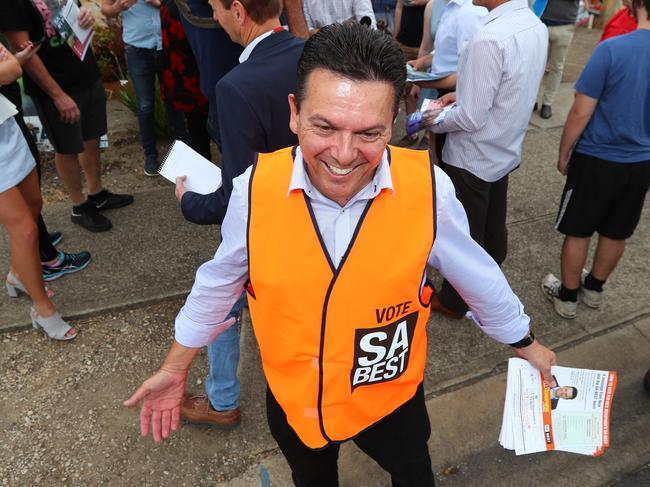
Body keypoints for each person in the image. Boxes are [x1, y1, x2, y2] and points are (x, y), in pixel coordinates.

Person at [125, 23, 556, 486]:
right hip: (297, 400)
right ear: (294, 113)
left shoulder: (429, 191)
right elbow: (221, 279)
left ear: (394, 122)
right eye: (324, 126)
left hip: (389, 396)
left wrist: (525, 342)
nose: (344, 155)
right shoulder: (255, 188)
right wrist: (176, 365)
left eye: (370, 133)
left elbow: (477, 275)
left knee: (412, 472)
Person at [174, 0, 305, 429]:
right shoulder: (308, 53)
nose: (213, 17)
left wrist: (188, 201)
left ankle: (223, 399)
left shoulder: (235, 86)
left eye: (215, 8)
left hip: (266, 225)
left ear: (238, 10)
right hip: (311, 216)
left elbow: (237, 196)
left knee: (223, 294)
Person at [425, 0, 547, 320]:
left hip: (472, 155)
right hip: (503, 147)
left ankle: (455, 301)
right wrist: (463, 95)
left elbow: (469, 118)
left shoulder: (490, 37)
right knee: (492, 225)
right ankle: (487, 282)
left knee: (464, 237)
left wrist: (431, 120)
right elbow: (512, 87)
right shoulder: (534, 25)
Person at [541, 0, 649, 319]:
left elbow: (580, 110)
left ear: (637, 4)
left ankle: (568, 295)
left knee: (579, 229)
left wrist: (564, 152)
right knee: (617, 231)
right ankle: (595, 289)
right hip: (641, 161)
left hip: (597, 156)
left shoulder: (612, 49)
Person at [2, 0, 134, 233]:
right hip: (55, 86)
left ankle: (96, 194)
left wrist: (86, 16)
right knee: (66, 147)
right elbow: (26, 53)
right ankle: (79, 205)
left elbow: (77, 10)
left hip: (85, 71)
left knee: (91, 138)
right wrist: (57, 95)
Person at [0, 32, 91, 284]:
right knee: (23, 224)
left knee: (33, 203)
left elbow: (13, 68)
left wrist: (10, 64)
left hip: (9, 119)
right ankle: (44, 261)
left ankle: (24, 267)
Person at [0, 43, 76, 341]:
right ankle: (42, 309)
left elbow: (14, 69)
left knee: (34, 205)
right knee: (26, 230)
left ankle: (18, 274)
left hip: (6, 127)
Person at [101, 0, 188, 176]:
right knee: (145, 105)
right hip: (137, 48)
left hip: (167, 43)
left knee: (174, 100)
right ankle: (150, 155)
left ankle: (185, 151)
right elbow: (106, 9)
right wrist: (119, 7)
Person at [160, 0, 211, 161]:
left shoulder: (177, 6)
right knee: (200, 134)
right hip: (192, 79)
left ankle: (206, 180)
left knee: (199, 135)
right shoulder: (177, 7)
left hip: (192, 79)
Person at [536, 0, 586, 119]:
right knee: (537, 65)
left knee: (557, 66)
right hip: (541, 21)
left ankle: (547, 103)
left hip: (565, 24)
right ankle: (533, 100)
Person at [302, 0, 377, 32]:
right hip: (319, 53)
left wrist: (318, 32)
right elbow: (305, 33)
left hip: (353, 50)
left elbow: (369, 27)